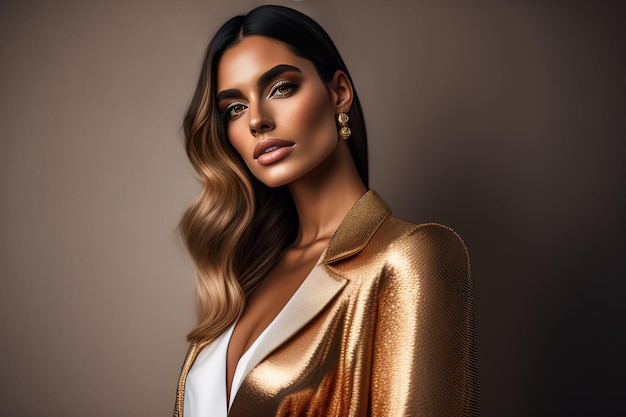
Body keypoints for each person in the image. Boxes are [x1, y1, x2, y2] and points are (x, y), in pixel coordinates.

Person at [174, 5, 478, 417]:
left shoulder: (409, 258)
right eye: (235, 108)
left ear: (339, 92)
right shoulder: (246, 276)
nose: (257, 120)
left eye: (280, 88)